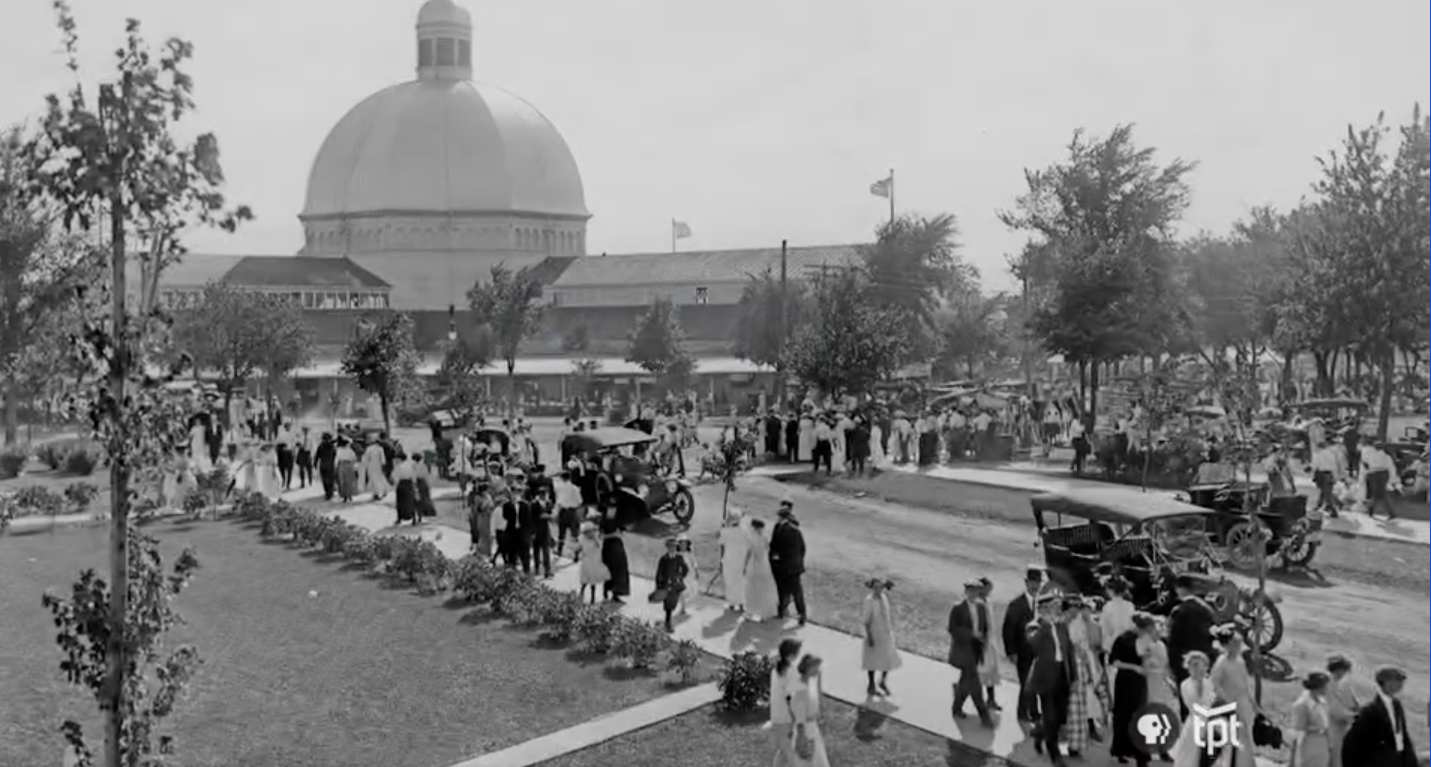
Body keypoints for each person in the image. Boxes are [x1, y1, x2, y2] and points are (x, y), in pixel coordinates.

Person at [1026, 594, 1077, 766]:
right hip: (1045, 677)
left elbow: (1069, 651)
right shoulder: (1035, 626)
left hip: (1062, 676)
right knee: (1050, 716)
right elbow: (1033, 644)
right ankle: (1055, 754)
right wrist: (1045, 623)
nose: (1056, 610)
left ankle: (1040, 733)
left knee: (1060, 717)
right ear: (1043, 609)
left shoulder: (1062, 626)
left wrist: (1074, 676)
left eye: (1057, 607)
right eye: (1052, 607)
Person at [1342, 666, 1418, 767]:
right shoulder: (1370, 711)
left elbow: (1402, 734)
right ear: (1387, 683)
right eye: (1398, 681)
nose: (1401, 685)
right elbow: (1353, 743)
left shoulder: (1397, 704)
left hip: (1398, 760)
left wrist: (1410, 759)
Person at [947, 579, 995, 727]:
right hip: (964, 650)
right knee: (974, 683)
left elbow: (985, 627)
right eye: (970, 591)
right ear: (966, 592)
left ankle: (956, 707)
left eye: (975, 591)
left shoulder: (981, 607)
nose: (973, 594)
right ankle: (984, 716)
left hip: (976, 650)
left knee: (966, 682)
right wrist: (971, 634)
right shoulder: (958, 608)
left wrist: (984, 641)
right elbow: (952, 629)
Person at [1209, 625, 1258, 767]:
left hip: (1243, 704)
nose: (1238, 647)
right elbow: (1216, 686)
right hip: (1229, 705)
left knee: (1245, 736)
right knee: (1233, 740)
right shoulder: (1221, 664)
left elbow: (1245, 684)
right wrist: (1228, 705)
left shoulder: (1240, 661)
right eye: (1235, 644)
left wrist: (1253, 703)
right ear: (1227, 645)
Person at [1001, 566, 1045, 723]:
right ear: (1026, 583)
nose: (1035, 586)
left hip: (1038, 652)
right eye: (1032, 582)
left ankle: (1033, 712)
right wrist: (1011, 652)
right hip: (1022, 651)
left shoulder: (1042, 604)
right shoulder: (1016, 605)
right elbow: (1008, 629)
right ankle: (1022, 713)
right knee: (1026, 682)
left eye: (1037, 582)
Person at [1110, 614, 1154, 767]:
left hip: (1139, 683)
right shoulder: (1123, 639)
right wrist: (1134, 667)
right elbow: (1115, 662)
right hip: (1125, 681)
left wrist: (1146, 662)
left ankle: (1141, 755)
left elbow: (1147, 659)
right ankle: (1121, 749)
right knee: (1123, 716)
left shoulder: (1145, 639)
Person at [1166, 575, 1218, 690]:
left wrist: (1171, 664)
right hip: (1204, 658)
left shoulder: (1179, 611)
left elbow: (1172, 639)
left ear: (1179, 589)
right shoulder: (1206, 609)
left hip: (1184, 661)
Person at [1170, 650, 1215, 767]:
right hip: (1195, 722)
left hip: (1210, 722)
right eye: (1192, 665)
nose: (1195, 668)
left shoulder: (1211, 683)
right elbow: (1192, 705)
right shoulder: (1185, 684)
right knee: (1189, 755)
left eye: (1199, 664)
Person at [859, 577, 900, 696]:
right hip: (874, 633)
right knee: (872, 660)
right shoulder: (869, 600)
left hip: (885, 633)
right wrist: (869, 636)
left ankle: (882, 680)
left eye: (880, 587)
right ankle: (871, 684)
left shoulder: (884, 598)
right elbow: (866, 620)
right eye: (876, 587)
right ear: (872, 588)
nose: (878, 590)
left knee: (888, 657)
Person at [769, 500, 808, 625]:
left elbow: (776, 547)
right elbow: (802, 548)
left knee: (785, 589)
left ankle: (784, 611)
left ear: (781, 517)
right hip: (794, 566)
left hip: (784, 565)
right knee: (795, 591)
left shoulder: (783, 530)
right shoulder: (795, 530)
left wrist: (774, 559)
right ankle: (799, 613)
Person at [790, 654, 832, 767]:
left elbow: (819, 695)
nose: (818, 670)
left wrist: (820, 678)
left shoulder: (810, 683)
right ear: (809, 668)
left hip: (812, 728)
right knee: (806, 761)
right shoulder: (801, 689)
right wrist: (801, 736)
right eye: (816, 667)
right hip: (805, 730)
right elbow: (799, 715)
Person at [1326, 655, 1365, 767]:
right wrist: (1352, 716)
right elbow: (1334, 709)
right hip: (1331, 728)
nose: (1343, 673)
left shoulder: (1345, 684)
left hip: (1344, 728)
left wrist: (1360, 711)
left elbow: (1354, 703)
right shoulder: (1327, 685)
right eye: (1343, 670)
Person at [770, 638, 804, 767]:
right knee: (790, 754)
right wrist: (796, 718)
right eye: (797, 652)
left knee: (784, 751)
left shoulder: (776, 669)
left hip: (776, 716)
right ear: (791, 655)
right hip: (786, 718)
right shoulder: (791, 671)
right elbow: (791, 698)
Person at [1290, 671, 1335, 767]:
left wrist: (1330, 745)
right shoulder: (1303, 704)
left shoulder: (1322, 702)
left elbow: (1326, 725)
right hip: (1309, 744)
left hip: (1322, 744)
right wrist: (1292, 758)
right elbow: (1297, 733)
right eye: (1325, 685)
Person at [743, 518, 780, 621]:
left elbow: (748, 552)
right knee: (764, 588)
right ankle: (764, 612)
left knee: (751, 589)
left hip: (753, 564)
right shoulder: (765, 537)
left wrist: (744, 565)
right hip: (764, 564)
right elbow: (768, 549)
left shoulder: (750, 537)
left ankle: (750, 612)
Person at [654, 537, 689, 632]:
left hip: (675, 584)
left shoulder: (679, 558)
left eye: (674, 547)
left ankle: (667, 621)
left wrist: (680, 577)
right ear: (667, 547)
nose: (672, 548)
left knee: (673, 603)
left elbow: (685, 568)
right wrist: (659, 585)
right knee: (668, 604)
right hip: (666, 584)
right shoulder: (663, 559)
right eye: (670, 547)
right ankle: (668, 623)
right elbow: (659, 572)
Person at [600, 501, 630, 603]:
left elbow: (625, 529)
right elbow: (601, 536)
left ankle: (616, 594)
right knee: (609, 570)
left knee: (620, 570)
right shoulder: (604, 521)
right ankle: (606, 592)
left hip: (618, 546)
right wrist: (614, 534)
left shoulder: (618, 519)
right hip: (608, 547)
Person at [718, 510, 749, 612]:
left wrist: (722, 527)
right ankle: (741, 604)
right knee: (740, 582)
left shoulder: (726, 531)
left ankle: (731, 603)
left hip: (729, 559)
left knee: (730, 581)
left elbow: (720, 541)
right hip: (741, 560)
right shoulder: (744, 530)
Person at [1361, 443, 1399, 520]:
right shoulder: (1386, 457)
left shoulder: (1371, 455)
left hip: (1372, 474)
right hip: (1382, 474)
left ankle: (1371, 510)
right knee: (1382, 494)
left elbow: (1366, 464)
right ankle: (1389, 513)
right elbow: (1391, 468)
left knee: (1374, 493)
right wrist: (1393, 479)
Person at [552, 470, 583, 558]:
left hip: (563, 511)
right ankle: (576, 554)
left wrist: (555, 513)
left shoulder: (559, 488)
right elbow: (579, 501)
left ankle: (559, 550)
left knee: (561, 533)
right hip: (573, 512)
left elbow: (558, 502)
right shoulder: (575, 488)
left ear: (562, 478)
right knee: (575, 534)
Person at [393, 452, 418, 525]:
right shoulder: (410, 466)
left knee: (400, 502)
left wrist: (395, 483)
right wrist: (414, 484)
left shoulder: (398, 466)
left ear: (400, 459)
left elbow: (395, 476)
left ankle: (399, 518)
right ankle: (413, 518)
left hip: (401, 483)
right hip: (409, 483)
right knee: (410, 501)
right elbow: (413, 476)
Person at [334, 437, 358, 503]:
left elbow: (337, 459)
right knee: (349, 481)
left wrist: (335, 467)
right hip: (349, 465)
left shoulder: (339, 450)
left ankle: (344, 496)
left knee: (342, 481)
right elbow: (354, 458)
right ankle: (349, 496)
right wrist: (354, 466)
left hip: (342, 465)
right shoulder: (350, 450)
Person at [315, 433, 336, 500]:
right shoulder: (332, 446)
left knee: (325, 480)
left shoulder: (321, 446)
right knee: (330, 480)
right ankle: (329, 493)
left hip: (323, 465)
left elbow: (317, 456)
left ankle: (328, 493)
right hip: (330, 466)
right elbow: (335, 455)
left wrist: (315, 463)